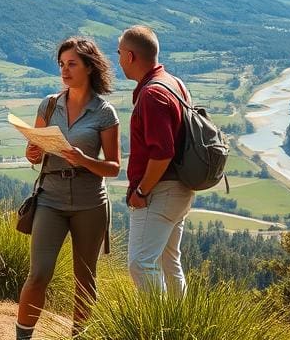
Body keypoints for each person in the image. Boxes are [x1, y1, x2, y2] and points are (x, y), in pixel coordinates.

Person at [15, 36, 120, 340]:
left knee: (85, 281)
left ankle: (79, 336)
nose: (65, 69)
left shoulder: (105, 112)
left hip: (91, 203)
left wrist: (86, 160)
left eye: (72, 63)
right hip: (50, 199)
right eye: (62, 64)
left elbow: (113, 167)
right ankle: (22, 337)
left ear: (89, 67)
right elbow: (34, 150)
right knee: (38, 276)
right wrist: (32, 153)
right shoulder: (49, 105)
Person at [118, 24, 194, 296]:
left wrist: (141, 191)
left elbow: (162, 152)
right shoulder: (173, 83)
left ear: (130, 56)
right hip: (180, 189)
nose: (118, 59)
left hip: (160, 191)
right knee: (169, 261)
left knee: (140, 263)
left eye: (119, 53)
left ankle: (157, 328)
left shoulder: (152, 94)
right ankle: (179, 325)